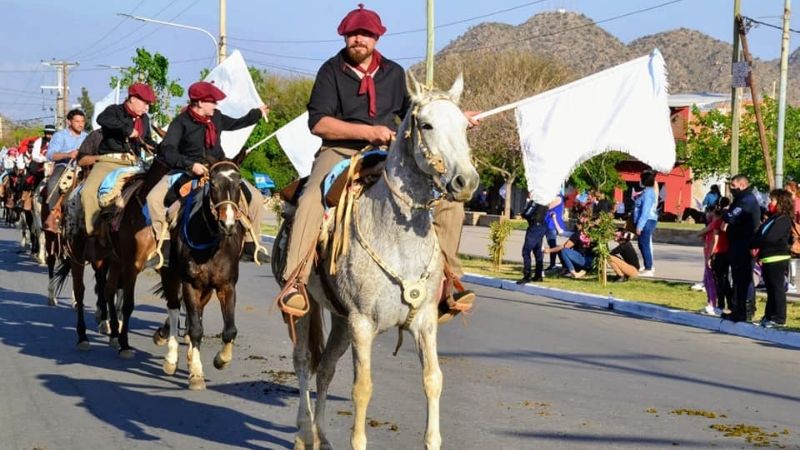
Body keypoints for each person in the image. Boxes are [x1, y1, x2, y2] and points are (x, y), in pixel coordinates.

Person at [278, 4, 479, 321]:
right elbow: (319, 124)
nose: (359, 39)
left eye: (366, 34)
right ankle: (296, 282)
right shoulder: (331, 71)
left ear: (377, 38)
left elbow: (417, 113)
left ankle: (449, 281)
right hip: (340, 151)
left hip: (387, 155)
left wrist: (454, 118)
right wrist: (368, 131)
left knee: (448, 201)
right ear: (345, 36)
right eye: (353, 34)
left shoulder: (395, 73)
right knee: (311, 199)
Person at [145, 81, 270, 267]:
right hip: (187, 170)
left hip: (217, 168)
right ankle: (164, 247)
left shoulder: (216, 117)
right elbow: (167, 151)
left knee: (257, 199)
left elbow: (236, 123)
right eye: (212, 101)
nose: (216, 105)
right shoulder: (180, 123)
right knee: (153, 198)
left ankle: (252, 246)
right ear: (200, 103)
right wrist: (190, 164)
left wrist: (256, 114)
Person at [81, 83, 157, 238]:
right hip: (110, 161)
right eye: (145, 103)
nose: (147, 108)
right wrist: (127, 130)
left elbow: (147, 140)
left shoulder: (144, 120)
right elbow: (102, 119)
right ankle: (93, 235)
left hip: (135, 163)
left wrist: (161, 148)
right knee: (88, 193)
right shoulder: (114, 111)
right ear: (133, 98)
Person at [751, 189, 793, 328]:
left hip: (777, 257)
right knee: (770, 289)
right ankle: (768, 316)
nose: (770, 203)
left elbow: (771, 237)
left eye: (773, 200)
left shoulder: (784, 219)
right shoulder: (773, 218)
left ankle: (779, 318)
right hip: (767, 257)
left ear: (781, 202)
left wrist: (759, 240)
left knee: (777, 288)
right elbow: (759, 234)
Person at [722, 174, 761, 322]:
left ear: (742, 185)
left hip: (745, 245)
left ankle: (746, 310)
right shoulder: (740, 199)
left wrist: (725, 212)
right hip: (737, 244)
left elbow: (731, 217)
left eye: (733, 186)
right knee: (738, 278)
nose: (731, 189)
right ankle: (737, 309)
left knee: (744, 278)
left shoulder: (747, 200)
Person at [517, 195, 560, 284]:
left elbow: (526, 214)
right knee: (537, 251)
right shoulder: (543, 201)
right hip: (541, 226)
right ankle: (538, 275)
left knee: (526, 251)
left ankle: (527, 275)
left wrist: (528, 204)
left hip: (535, 227)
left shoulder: (536, 201)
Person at [697, 207, 722, 315]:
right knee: (707, 280)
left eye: (709, 213)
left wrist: (710, 256)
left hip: (711, 254)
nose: (707, 215)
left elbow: (701, 233)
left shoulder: (714, 224)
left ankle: (712, 303)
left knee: (710, 280)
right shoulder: (713, 224)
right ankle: (710, 302)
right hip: (708, 253)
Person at [633, 170, 658, 277]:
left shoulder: (648, 193)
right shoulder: (646, 191)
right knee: (641, 244)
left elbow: (645, 211)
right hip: (646, 220)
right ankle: (647, 265)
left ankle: (649, 268)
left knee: (644, 244)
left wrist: (639, 226)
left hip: (647, 221)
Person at [708, 201, 731, 315]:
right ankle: (730, 303)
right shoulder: (730, 224)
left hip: (719, 253)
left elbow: (715, 241)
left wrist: (710, 255)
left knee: (719, 280)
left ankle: (721, 304)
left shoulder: (717, 223)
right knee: (726, 279)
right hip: (728, 253)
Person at [544, 194, 565, 271]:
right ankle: (560, 263)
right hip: (545, 222)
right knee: (549, 244)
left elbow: (548, 206)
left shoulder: (558, 197)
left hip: (552, 224)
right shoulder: (550, 196)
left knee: (552, 245)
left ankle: (553, 265)